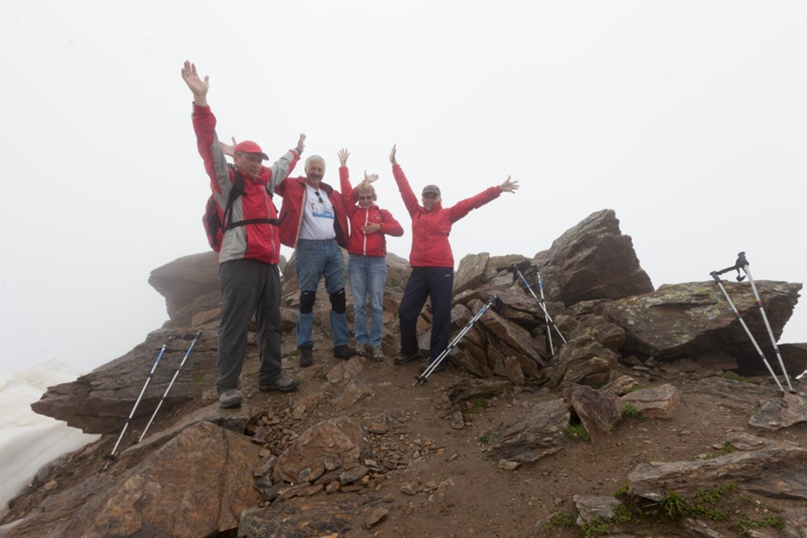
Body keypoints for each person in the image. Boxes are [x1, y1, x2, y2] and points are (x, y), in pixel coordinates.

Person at [181, 61, 301, 409]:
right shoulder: (227, 182)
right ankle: (227, 387)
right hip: (238, 263)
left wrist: (297, 150)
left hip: (267, 264)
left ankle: (270, 376)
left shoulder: (264, 182)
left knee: (272, 323)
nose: (256, 164)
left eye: (259, 159)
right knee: (235, 324)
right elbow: (208, 148)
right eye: (250, 158)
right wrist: (201, 103)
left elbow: (280, 166)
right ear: (239, 159)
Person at [389, 144, 519, 374]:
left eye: (433, 195)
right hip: (419, 270)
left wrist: (497, 189)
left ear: (439, 197)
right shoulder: (415, 211)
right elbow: (404, 189)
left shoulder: (447, 214)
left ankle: (439, 358)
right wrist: (394, 165)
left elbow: (471, 203)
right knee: (406, 311)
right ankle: (410, 350)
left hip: (442, 270)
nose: (429, 199)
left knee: (441, 314)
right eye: (426, 195)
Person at [274, 150, 356, 367]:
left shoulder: (331, 194)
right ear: (306, 170)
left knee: (338, 296)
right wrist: (295, 153)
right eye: (313, 168)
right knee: (307, 298)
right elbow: (271, 178)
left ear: (324, 172)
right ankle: (305, 347)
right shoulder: (293, 186)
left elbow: (350, 198)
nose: (316, 172)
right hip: (308, 248)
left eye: (320, 169)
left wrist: (346, 169)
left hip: (332, 247)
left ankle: (340, 344)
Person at [337, 149, 404, 361]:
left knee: (375, 305)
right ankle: (360, 341)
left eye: (368, 197)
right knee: (358, 305)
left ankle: (375, 344)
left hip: (377, 263)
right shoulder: (353, 210)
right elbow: (346, 189)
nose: (365, 200)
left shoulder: (381, 212)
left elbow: (399, 229)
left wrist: (379, 227)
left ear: (373, 197)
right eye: (362, 197)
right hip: (356, 261)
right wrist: (343, 166)